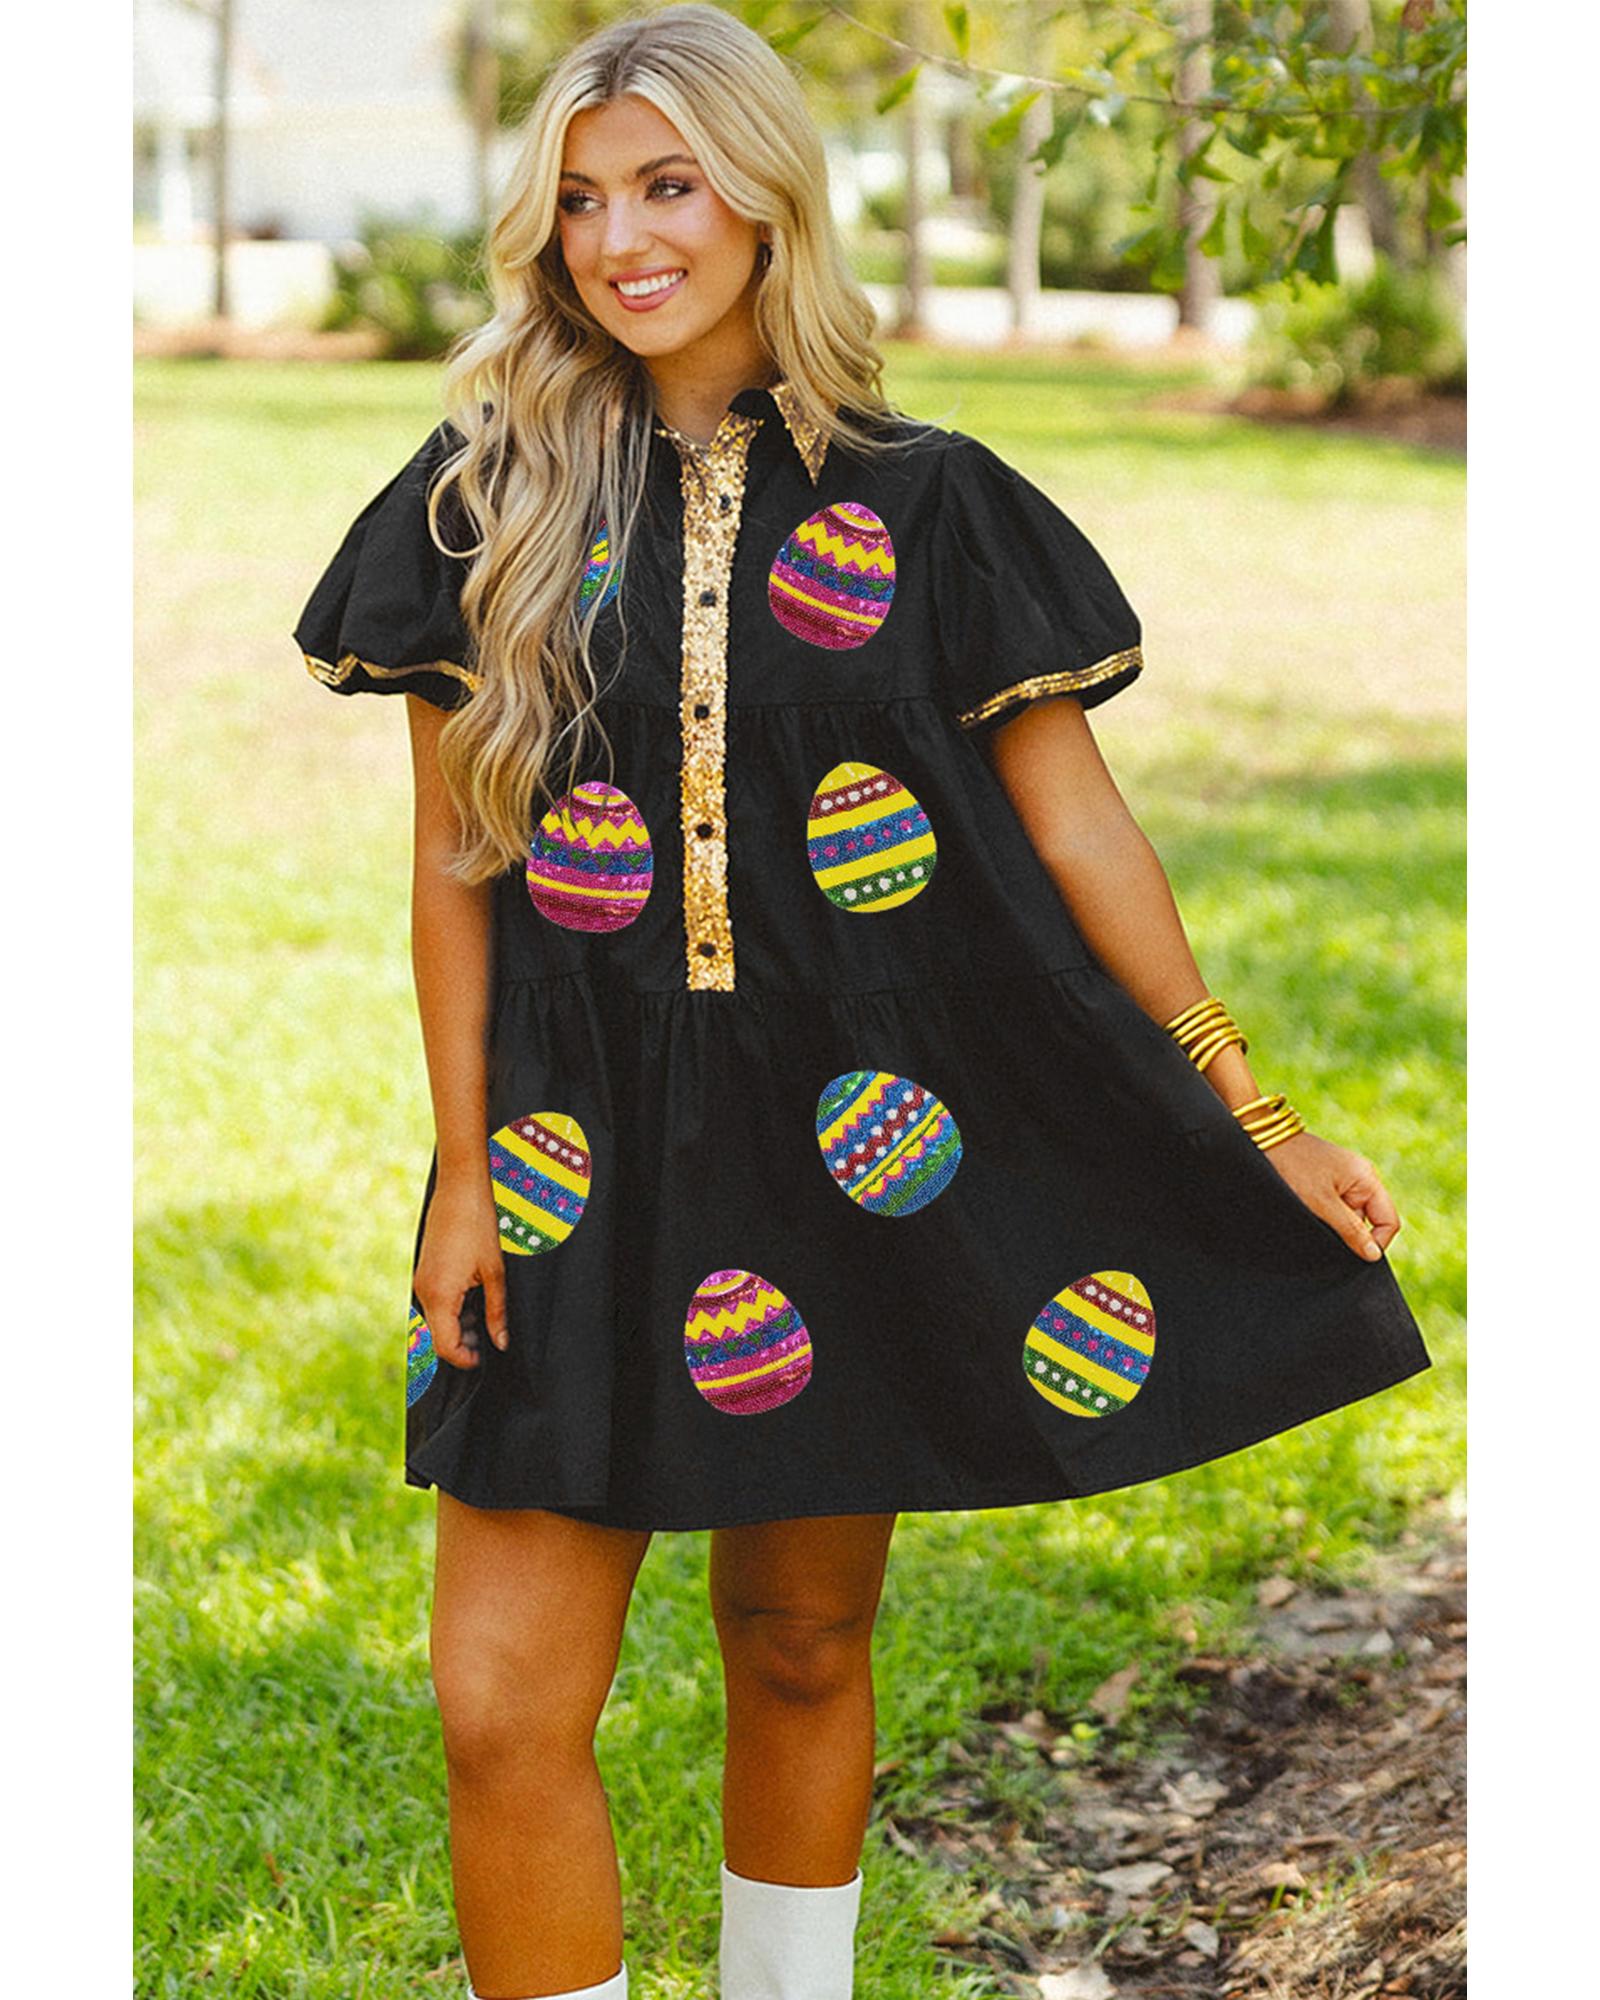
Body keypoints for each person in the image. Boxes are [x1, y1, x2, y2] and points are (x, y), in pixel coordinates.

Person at [292, 7, 1431, 1997]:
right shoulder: (487, 496)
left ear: (765, 197)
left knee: (803, 1639)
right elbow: (454, 865)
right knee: (498, 1704)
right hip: (568, 1148)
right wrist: (464, 1171)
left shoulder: (931, 506)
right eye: (580, 201)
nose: (622, 240)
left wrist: (1246, 1109)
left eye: (667, 184)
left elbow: (1077, 828)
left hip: (856, 1139)